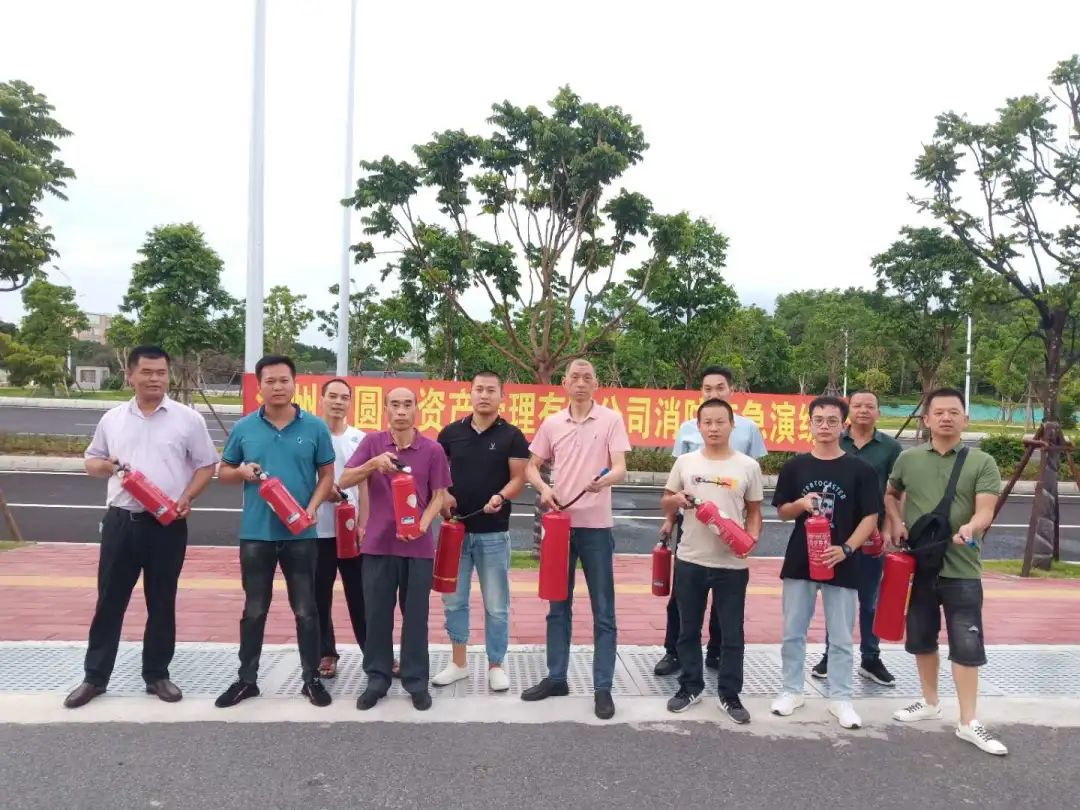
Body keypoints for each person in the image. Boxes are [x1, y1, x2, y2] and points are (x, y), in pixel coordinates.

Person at [64, 346, 218, 709]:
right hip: (121, 522)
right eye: (147, 372)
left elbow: (206, 465)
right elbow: (91, 461)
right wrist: (108, 466)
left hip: (167, 524)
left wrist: (187, 497)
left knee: (162, 601)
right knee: (109, 601)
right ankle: (95, 677)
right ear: (130, 375)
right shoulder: (113, 419)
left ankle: (157, 674)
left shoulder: (188, 420)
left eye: (161, 372)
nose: (155, 379)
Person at [887, 388, 1007, 755]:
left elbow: (986, 508)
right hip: (920, 568)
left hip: (962, 569)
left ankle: (968, 721)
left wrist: (973, 526)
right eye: (938, 412)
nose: (946, 418)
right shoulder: (908, 459)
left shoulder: (982, 462)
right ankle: (929, 702)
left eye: (954, 412)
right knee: (922, 638)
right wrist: (895, 522)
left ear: (965, 419)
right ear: (926, 419)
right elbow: (891, 493)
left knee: (966, 645)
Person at [215, 355, 336, 709]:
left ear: (295, 384)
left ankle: (311, 679)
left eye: (284, 380)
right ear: (260, 386)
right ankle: (246, 680)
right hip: (257, 535)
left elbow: (327, 476)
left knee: (306, 610)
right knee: (254, 610)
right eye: (270, 381)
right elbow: (224, 472)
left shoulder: (315, 428)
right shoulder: (244, 428)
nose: (278, 387)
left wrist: (312, 507)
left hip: (301, 535)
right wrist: (242, 472)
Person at [520, 358, 630, 720]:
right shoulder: (553, 423)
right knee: (557, 606)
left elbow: (620, 467)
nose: (581, 383)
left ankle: (603, 687)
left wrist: (605, 480)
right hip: (559, 526)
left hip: (597, 526)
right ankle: (556, 677)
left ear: (596, 384)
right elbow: (531, 466)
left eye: (587, 378)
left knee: (604, 610)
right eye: (575, 378)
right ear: (565, 384)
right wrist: (543, 489)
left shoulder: (611, 420)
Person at [770, 396, 880, 730]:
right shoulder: (796, 467)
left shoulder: (860, 470)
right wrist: (801, 504)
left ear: (843, 425)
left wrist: (847, 548)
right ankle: (792, 691)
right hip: (801, 560)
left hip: (842, 561)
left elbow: (870, 517)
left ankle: (840, 698)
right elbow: (782, 511)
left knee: (842, 636)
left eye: (832, 421)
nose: (825, 426)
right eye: (818, 420)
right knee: (793, 632)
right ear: (810, 424)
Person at [340, 386, 451, 712]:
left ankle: (416, 681)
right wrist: (373, 464)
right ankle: (377, 679)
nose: (401, 411)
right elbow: (344, 479)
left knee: (415, 618)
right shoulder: (373, 444)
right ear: (385, 409)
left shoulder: (432, 450)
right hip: (378, 545)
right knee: (376, 616)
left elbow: (440, 495)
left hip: (418, 548)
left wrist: (422, 524)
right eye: (395, 405)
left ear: (417, 409)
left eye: (407, 405)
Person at [656, 366, 768, 678]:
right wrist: (669, 520)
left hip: (732, 528)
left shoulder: (748, 430)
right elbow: (674, 488)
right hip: (692, 526)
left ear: (731, 390)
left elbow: (752, 493)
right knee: (682, 599)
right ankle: (674, 653)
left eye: (720, 388)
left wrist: (750, 535)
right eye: (707, 388)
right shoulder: (687, 430)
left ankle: (717, 653)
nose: (713, 393)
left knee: (726, 605)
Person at [432, 371, 529, 693]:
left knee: (496, 605)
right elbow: (437, 476)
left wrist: (501, 496)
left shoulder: (512, 435)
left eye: (491, 390)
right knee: (453, 600)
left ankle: (496, 665)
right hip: (455, 532)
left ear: (502, 396)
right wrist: (444, 499)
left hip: (493, 533)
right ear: (470, 393)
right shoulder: (450, 433)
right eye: (479, 389)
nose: (484, 395)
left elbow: (519, 479)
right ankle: (458, 663)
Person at [812, 390, 902, 687]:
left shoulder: (890, 448)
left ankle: (871, 658)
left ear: (878, 412)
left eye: (870, 406)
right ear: (848, 411)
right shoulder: (836, 440)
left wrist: (889, 528)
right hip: (836, 534)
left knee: (870, 601)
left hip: (872, 535)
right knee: (837, 599)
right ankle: (831, 655)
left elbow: (894, 493)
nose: (863, 410)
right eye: (858, 405)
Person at [312, 378, 369, 679]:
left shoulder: (360, 439)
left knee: (361, 596)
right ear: (321, 399)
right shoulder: (310, 436)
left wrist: (364, 524)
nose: (338, 402)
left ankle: (373, 653)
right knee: (319, 596)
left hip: (351, 533)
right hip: (318, 532)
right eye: (332, 396)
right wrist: (323, 493)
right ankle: (326, 653)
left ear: (350, 402)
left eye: (344, 397)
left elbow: (366, 488)